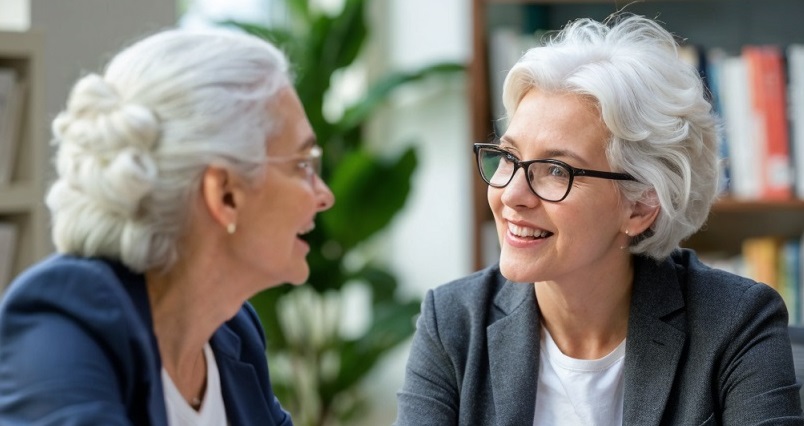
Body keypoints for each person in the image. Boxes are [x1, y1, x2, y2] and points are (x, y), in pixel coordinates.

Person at [395, 13, 804, 425]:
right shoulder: (452, 321)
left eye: (556, 170)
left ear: (641, 206)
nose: (512, 195)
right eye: (509, 158)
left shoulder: (736, 322)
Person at [0, 27, 334, 425]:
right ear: (225, 194)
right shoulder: (61, 328)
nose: (324, 194)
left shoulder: (234, 332)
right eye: (302, 165)